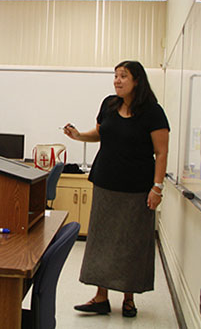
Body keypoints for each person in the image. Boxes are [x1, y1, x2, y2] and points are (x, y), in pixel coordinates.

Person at [63, 60, 169, 318]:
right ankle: (100, 297)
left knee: (130, 243)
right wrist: (78, 136)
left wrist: (157, 188)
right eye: (115, 76)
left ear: (137, 81)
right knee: (102, 241)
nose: (117, 80)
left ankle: (128, 299)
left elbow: (162, 151)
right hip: (106, 183)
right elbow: (100, 133)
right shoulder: (109, 105)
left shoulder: (153, 112)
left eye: (123, 76)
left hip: (136, 189)